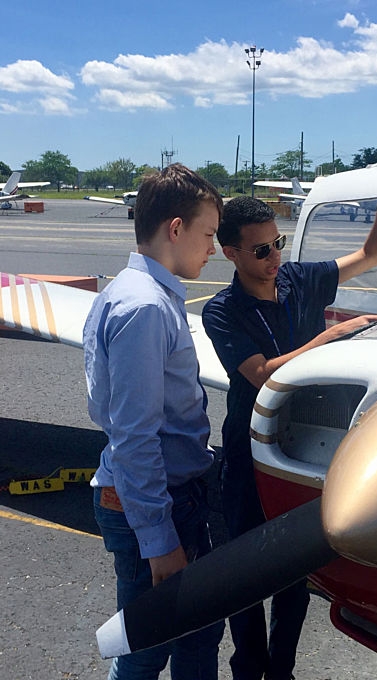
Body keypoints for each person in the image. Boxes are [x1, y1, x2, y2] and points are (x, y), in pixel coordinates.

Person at [202, 176, 377, 680]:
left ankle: (282, 668)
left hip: (302, 451)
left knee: (294, 570)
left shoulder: (298, 279)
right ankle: (248, 665)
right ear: (230, 253)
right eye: (260, 250)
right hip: (250, 452)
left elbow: (369, 256)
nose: (273, 256)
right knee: (245, 570)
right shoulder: (222, 311)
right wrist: (332, 336)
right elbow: (261, 373)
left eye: (276, 242)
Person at [84, 164, 225, 680]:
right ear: (175, 228)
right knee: (147, 647)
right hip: (156, 500)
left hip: (164, 493)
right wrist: (159, 540)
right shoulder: (144, 307)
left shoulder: (136, 291)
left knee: (195, 630)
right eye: (208, 233)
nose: (212, 248)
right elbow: (134, 435)